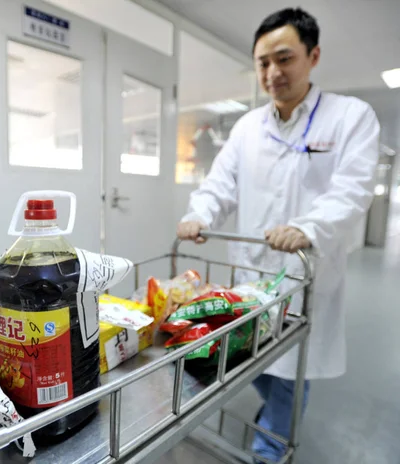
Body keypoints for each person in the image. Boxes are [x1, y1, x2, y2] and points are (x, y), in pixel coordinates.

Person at [177, 7, 380, 463]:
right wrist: (199, 215)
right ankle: (273, 422)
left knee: (290, 368)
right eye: (263, 62)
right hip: (249, 271)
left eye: (284, 59)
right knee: (253, 358)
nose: (272, 72)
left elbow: (353, 189)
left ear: (313, 55)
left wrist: (307, 227)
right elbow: (220, 183)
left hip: (305, 273)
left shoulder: (351, 117)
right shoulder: (249, 126)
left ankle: (270, 451)